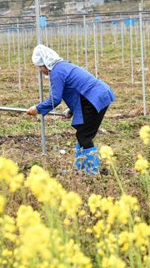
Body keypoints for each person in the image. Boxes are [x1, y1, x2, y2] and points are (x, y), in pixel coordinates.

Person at [26, 44, 115, 174]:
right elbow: (76, 89)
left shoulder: (56, 72)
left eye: (40, 67)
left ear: (45, 64)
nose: (41, 70)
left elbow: (55, 99)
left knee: (84, 135)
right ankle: (83, 168)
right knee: (83, 133)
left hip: (93, 97)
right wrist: (71, 110)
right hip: (98, 94)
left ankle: (92, 171)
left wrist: (37, 109)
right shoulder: (63, 66)